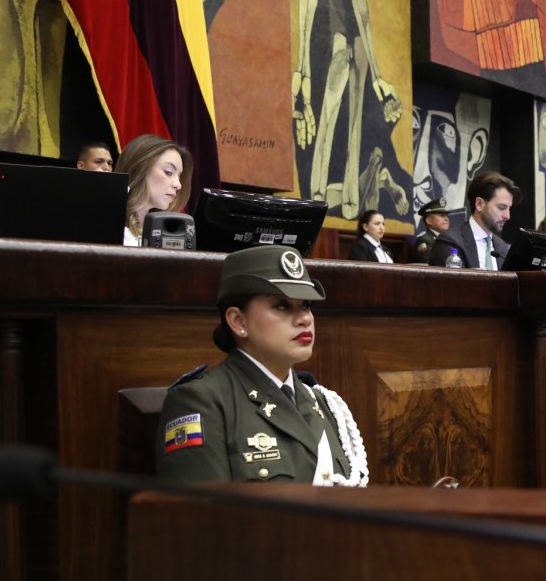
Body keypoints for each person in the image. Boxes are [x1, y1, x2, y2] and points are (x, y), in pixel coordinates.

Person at [156, 245, 368, 486]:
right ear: (238, 321)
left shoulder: (322, 401)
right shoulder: (200, 401)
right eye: (282, 305)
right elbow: (203, 517)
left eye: (306, 305)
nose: (305, 318)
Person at [428, 171, 520, 269]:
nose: (507, 216)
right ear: (479, 204)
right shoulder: (450, 242)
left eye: (509, 208)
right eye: (501, 207)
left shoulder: (502, 247)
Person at [115, 134, 194, 247]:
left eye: (179, 176)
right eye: (168, 172)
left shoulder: (172, 233)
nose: (178, 185)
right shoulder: (106, 226)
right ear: (139, 169)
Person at [412, 198, 450, 263]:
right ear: (429, 220)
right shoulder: (423, 240)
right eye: (442, 215)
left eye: (447, 216)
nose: (446, 219)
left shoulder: (449, 239)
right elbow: (428, 264)